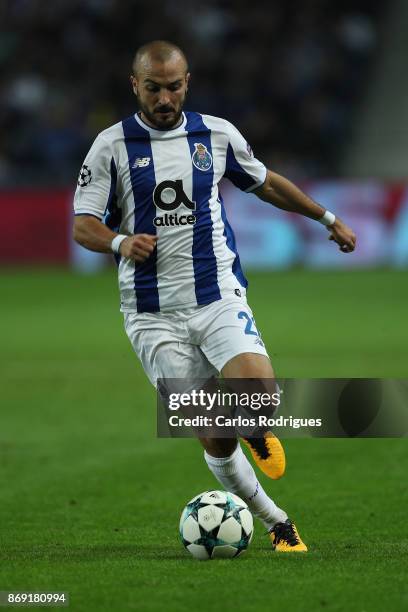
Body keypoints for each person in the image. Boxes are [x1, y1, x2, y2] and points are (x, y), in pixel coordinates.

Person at [73, 40, 356, 553]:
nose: (165, 98)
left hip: (216, 294)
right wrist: (119, 241)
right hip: (151, 315)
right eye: (154, 88)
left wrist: (327, 218)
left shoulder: (216, 134)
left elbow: (264, 182)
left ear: (187, 83)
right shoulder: (110, 146)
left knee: (263, 397)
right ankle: (276, 522)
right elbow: (82, 225)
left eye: (174, 87)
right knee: (216, 437)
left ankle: (254, 428)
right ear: (134, 85)